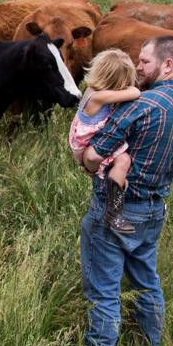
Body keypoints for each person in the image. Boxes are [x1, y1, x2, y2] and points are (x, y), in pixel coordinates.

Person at [79, 35, 173, 346]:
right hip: (153, 210)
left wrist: (88, 159)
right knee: (148, 284)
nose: (138, 67)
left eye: (144, 61)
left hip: (114, 211)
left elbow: (92, 156)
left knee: (104, 294)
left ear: (167, 65)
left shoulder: (142, 105)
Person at [68, 49, 141, 234]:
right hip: (87, 141)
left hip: (81, 138)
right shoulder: (99, 97)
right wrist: (130, 87)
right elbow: (134, 92)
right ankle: (114, 212)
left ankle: (112, 192)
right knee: (123, 161)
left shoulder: (93, 90)